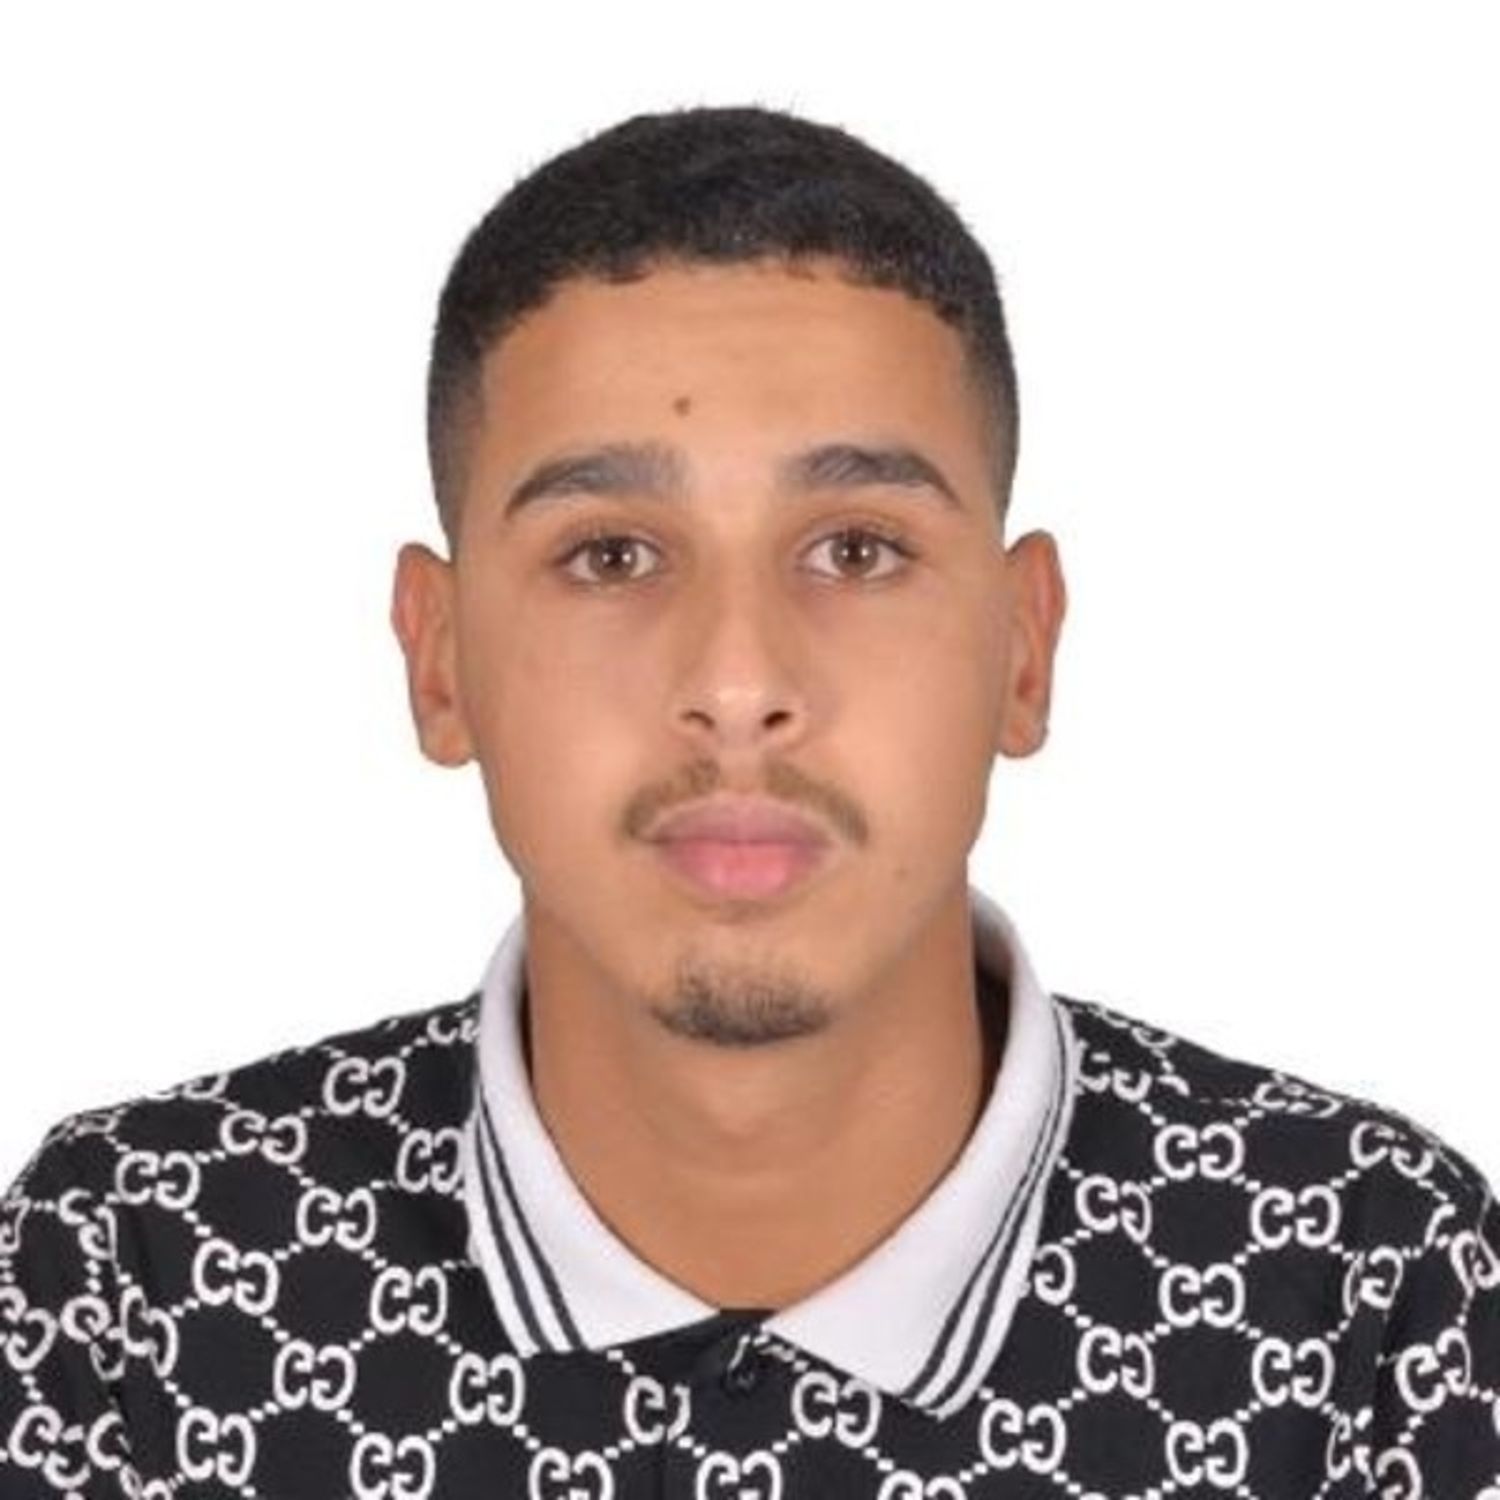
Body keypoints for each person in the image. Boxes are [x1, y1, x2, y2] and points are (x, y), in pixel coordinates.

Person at [2, 104, 1494, 1500]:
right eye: (611, 555)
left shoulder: (1376, 1294)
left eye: (855, 550)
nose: (736, 682)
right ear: (440, 661)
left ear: (1023, 651)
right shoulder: (130, 1280)